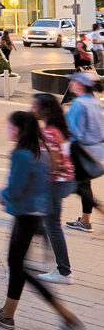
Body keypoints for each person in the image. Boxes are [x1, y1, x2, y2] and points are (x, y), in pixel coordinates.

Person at [0, 111, 83, 330]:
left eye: (10, 126)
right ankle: (7, 314)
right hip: (35, 215)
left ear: (19, 129)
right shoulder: (40, 149)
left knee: (22, 270)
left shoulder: (22, 155)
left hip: (25, 215)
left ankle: (67, 318)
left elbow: (14, 190)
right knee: (18, 267)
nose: (7, 129)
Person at [31, 93, 76, 284]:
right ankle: (51, 263)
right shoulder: (57, 128)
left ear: (45, 110)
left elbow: (53, 164)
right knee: (46, 223)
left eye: (35, 106)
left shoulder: (49, 132)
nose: (32, 109)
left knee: (53, 226)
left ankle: (64, 272)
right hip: (62, 181)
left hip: (54, 183)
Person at [65, 70, 104, 232]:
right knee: (84, 185)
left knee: (77, 186)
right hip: (94, 151)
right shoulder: (94, 102)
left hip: (79, 151)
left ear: (80, 85)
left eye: (73, 81)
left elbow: (73, 131)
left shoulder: (79, 103)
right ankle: (86, 221)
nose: (71, 83)